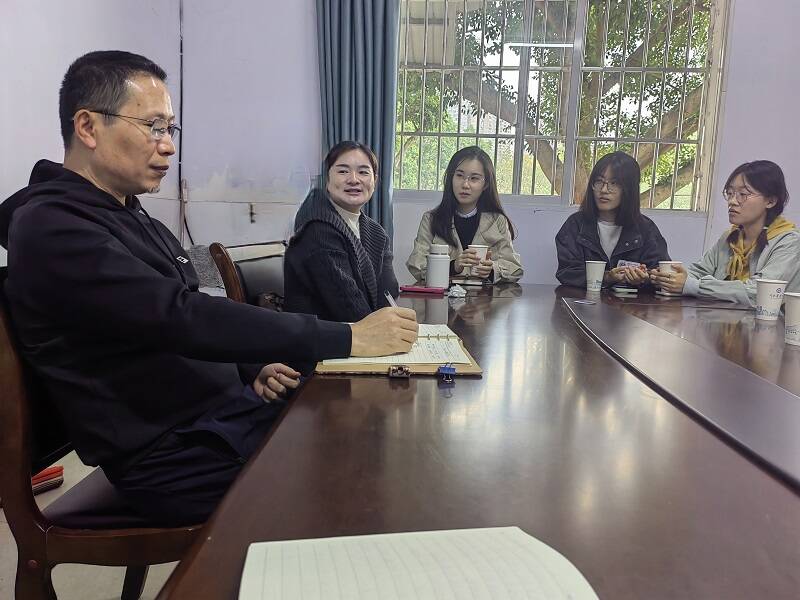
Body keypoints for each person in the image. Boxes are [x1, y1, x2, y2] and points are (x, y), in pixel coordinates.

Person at [0, 51, 417, 525]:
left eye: (170, 129)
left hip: (215, 422)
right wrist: (349, 337)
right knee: (359, 471)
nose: (168, 146)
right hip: (170, 455)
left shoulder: (126, 214)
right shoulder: (54, 227)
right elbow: (177, 315)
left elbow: (188, 308)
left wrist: (247, 366)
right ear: (89, 127)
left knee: (368, 428)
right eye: (154, 126)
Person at [651, 160, 800, 304]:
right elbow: (699, 271)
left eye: (743, 194)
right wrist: (667, 278)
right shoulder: (730, 237)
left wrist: (693, 286)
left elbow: (759, 293)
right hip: (727, 323)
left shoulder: (789, 242)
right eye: (729, 193)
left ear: (770, 201)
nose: (732, 201)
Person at [284, 141, 399, 322]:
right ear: (327, 181)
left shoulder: (376, 232)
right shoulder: (317, 231)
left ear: (374, 181)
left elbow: (388, 294)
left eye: (363, 172)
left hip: (361, 336)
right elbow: (350, 309)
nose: (354, 179)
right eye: (343, 171)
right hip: (325, 343)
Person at [406, 146, 523, 283]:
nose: (465, 184)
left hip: (485, 300)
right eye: (459, 176)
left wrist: (492, 270)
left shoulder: (497, 221)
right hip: (443, 299)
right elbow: (416, 266)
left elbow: (514, 268)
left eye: (474, 178)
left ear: (485, 185)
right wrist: (453, 266)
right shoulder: (431, 220)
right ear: (451, 178)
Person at [555, 151, 670, 288]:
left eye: (614, 183)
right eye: (599, 181)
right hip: (585, 304)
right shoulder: (575, 224)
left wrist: (644, 279)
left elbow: (660, 272)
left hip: (631, 307)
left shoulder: (645, 228)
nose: (604, 190)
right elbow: (567, 272)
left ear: (629, 189)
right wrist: (606, 277)